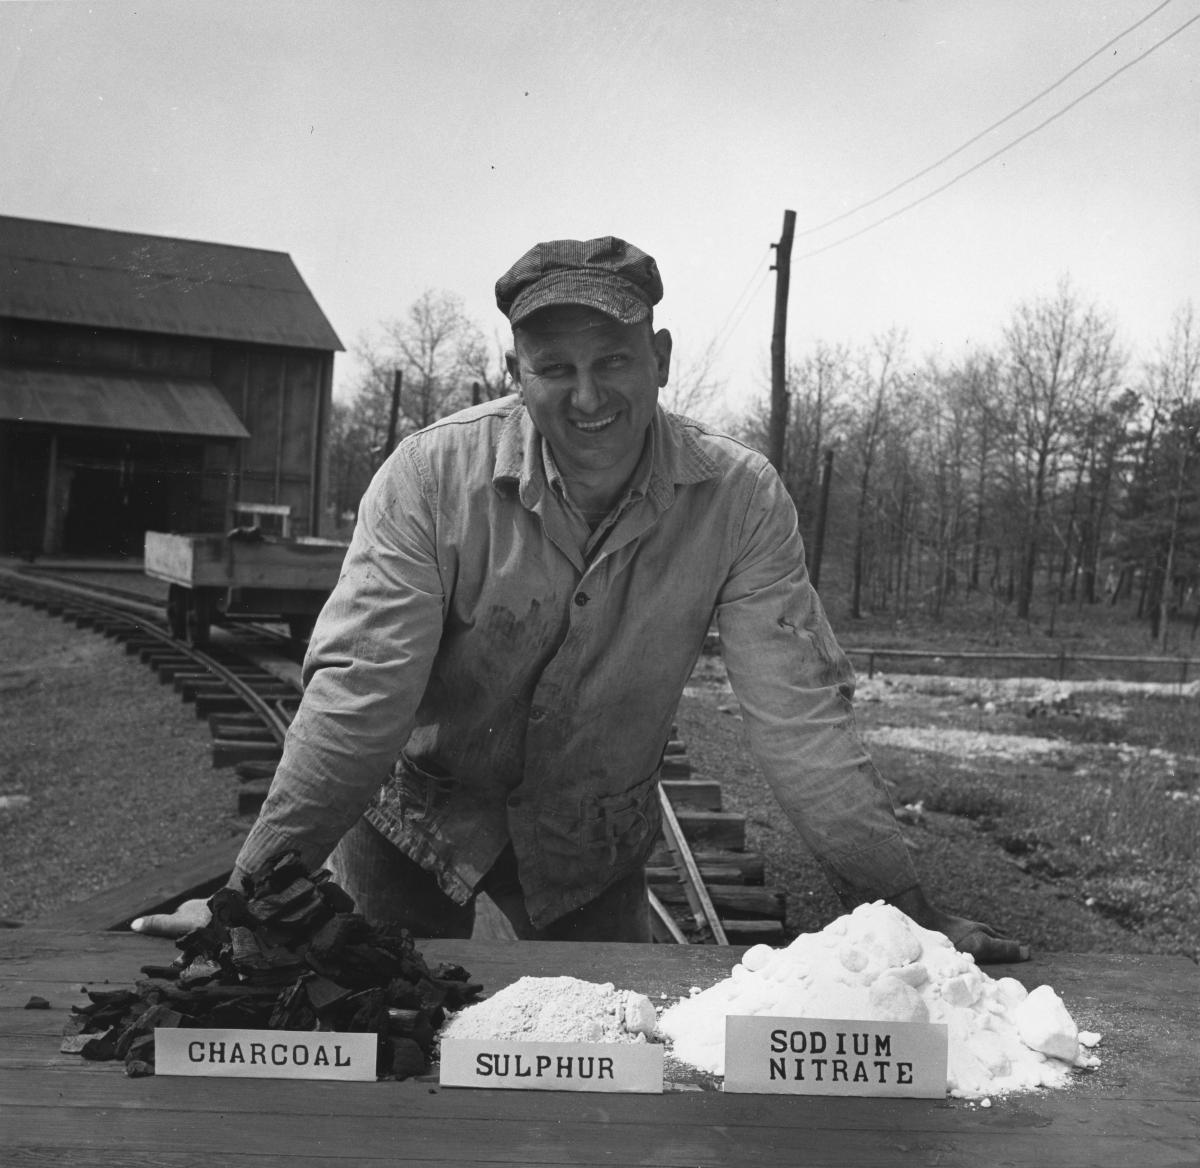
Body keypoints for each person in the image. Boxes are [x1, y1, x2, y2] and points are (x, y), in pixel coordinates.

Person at [134, 236, 1027, 962]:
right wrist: (253, 894)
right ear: (513, 370)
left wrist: (899, 906)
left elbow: (798, 720)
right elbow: (357, 699)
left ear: (662, 359)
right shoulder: (429, 477)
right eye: (554, 366)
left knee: (605, 1077)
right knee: (380, 1048)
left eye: (614, 360)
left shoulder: (740, 500)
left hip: (590, 844)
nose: (588, 395)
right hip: (414, 821)